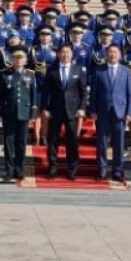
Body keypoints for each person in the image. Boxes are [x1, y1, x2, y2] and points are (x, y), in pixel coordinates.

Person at [40, 43, 88, 180]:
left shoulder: (78, 70)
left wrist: (82, 108)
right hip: (55, 111)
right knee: (53, 141)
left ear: (72, 54)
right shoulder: (51, 70)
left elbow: (83, 92)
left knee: (72, 141)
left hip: (72, 111)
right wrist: (44, 108)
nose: (65, 55)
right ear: (58, 54)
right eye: (63, 52)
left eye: (68, 52)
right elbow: (45, 92)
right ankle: (52, 168)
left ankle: (72, 169)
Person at [89, 44, 131, 182]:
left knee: (119, 143)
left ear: (120, 55)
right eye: (110, 52)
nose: (112, 55)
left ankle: (117, 171)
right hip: (102, 113)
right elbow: (93, 94)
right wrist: (93, 110)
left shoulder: (126, 71)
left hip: (120, 113)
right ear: (106, 54)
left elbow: (130, 94)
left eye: (115, 52)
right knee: (101, 143)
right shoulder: (98, 71)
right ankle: (102, 170)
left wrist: (130, 113)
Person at [0, 48, 40, 183]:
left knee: (21, 143)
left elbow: (33, 95)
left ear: (25, 61)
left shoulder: (30, 75)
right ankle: (8, 170)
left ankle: (19, 169)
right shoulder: (4, 74)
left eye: (21, 58)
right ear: (12, 60)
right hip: (9, 113)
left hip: (24, 113)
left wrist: (33, 113)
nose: (18, 61)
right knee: (8, 143)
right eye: (16, 58)